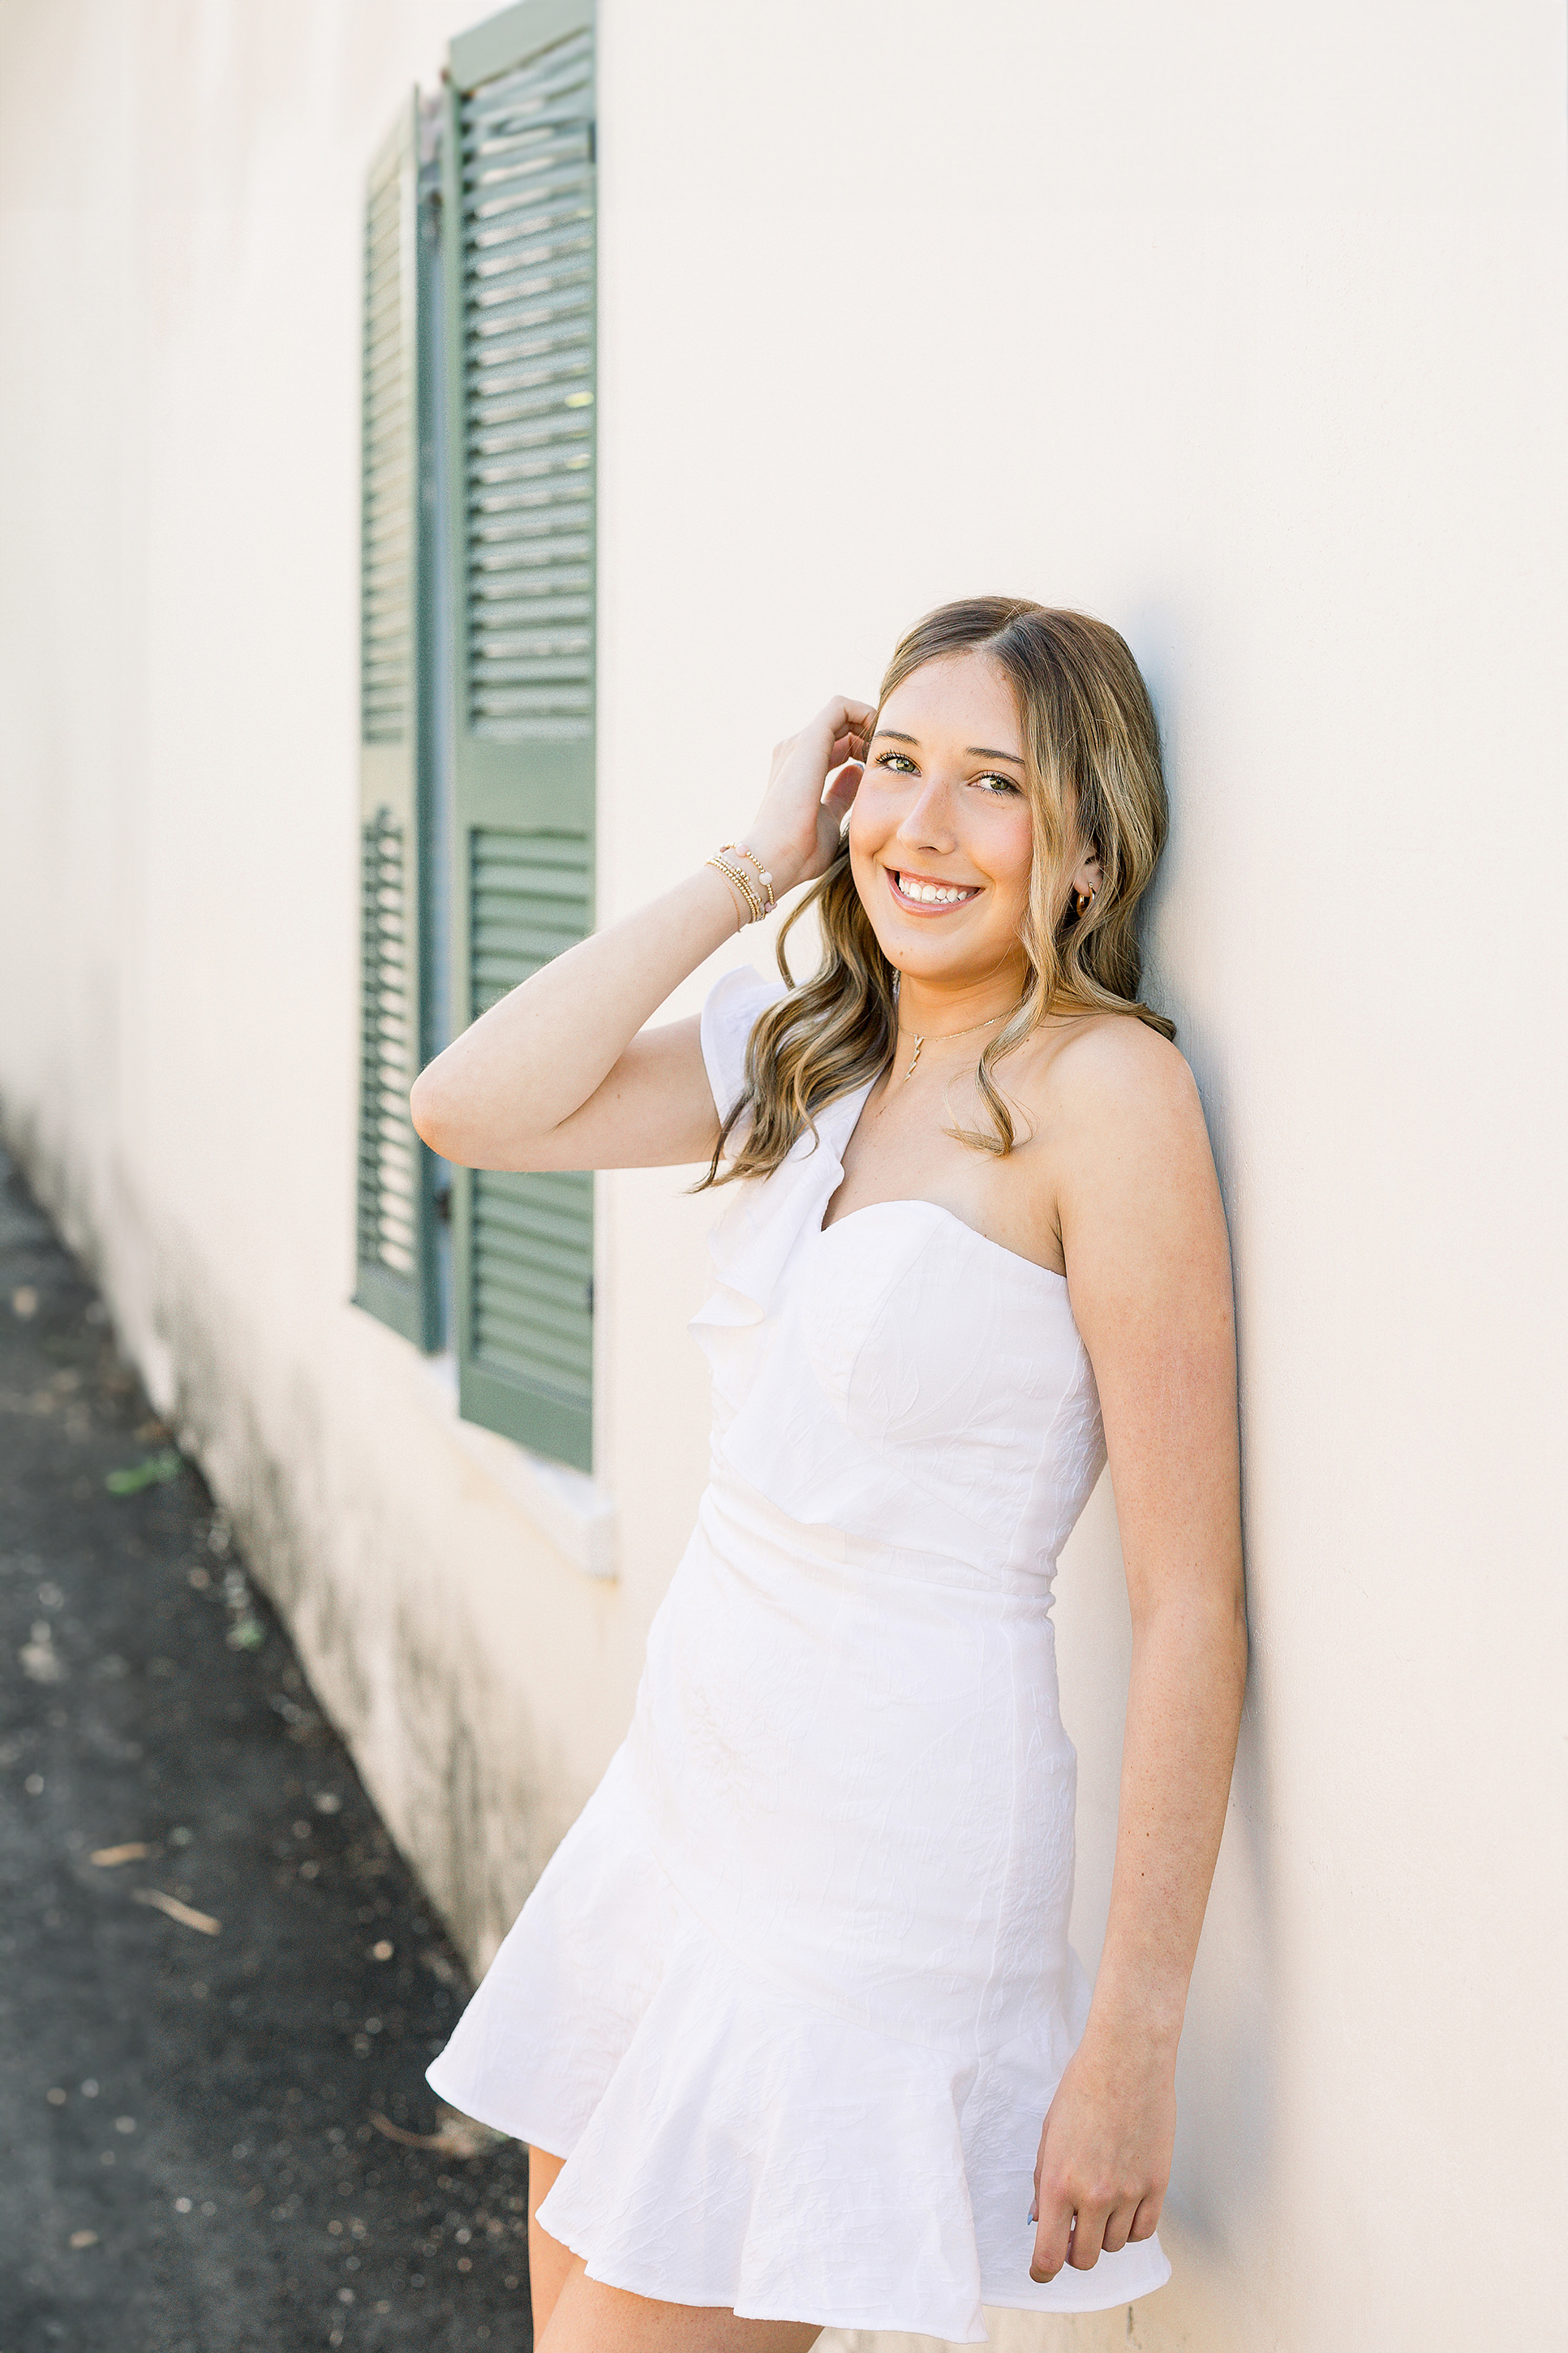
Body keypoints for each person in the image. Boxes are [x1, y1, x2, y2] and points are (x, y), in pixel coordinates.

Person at [411, 597, 1247, 2353]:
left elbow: (1189, 1603)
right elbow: (469, 1107)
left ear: (1088, 846)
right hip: (687, 1796)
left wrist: (1127, 2043)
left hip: (880, 1867)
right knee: (562, 2306)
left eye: (993, 787)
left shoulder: (1108, 1096)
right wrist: (750, 862)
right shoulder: (813, 1050)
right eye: (897, 770)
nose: (919, 831)